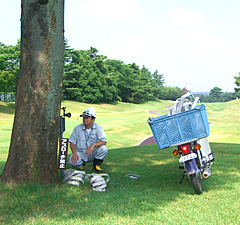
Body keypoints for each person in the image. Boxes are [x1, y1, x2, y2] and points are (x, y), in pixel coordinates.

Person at [68, 107, 108, 173]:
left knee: (104, 148)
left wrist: (93, 145)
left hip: (92, 153)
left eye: (87, 118)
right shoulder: (77, 128)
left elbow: (104, 141)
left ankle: (96, 165)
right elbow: (72, 142)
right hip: (80, 153)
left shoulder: (98, 128)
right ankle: (81, 164)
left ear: (93, 119)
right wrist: (74, 153)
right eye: (83, 117)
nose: (84, 119)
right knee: (72, 162)